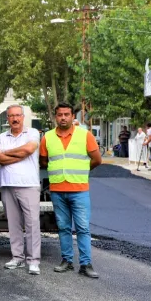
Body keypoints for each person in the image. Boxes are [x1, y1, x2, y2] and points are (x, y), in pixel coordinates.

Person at [40, 102, 103, 279]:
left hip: (79, 189)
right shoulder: (48, 137)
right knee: (63, 227)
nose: (63, 118)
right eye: (60, 115)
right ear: (55, 117)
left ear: (72, 116)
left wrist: (82, 171)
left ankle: (86, 264)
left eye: (66, 114)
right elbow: (43, 161)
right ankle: (67, 261)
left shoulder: (85, 135)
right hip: (57, 189)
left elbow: (97, 160)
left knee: (83, 228)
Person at [0, 105, 41, 275]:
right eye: (11, 116)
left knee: (32, 224)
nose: (14, 119)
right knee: (13, 224)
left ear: (23, 117)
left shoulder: (33, 133)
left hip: (28, 185)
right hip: (8, 185)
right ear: (7, 118)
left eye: (17, 115)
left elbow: (28, 150)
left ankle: (34, 261)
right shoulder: (1, 136)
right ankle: (17, 258)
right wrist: (18, 155)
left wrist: (6, 154)